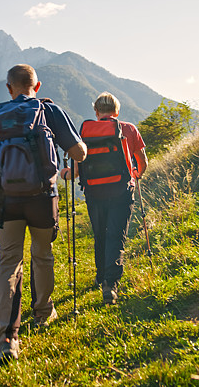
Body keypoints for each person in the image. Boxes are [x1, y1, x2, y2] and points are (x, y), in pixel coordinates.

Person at [0, 64, 86, 363]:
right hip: (42, 197)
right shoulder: (49, 110)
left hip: (6, 200)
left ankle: (7, 337)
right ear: (37, 86)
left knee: (9, 261)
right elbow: (79, 153)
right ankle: (43, 312)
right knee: (42, 253)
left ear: (8, 88)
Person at [62, 92, 147, 306]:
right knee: (116, 235)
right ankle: (110, 284)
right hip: (121, 190)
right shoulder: (128, 129)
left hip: (94, 193)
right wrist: (135, 175)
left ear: (97, 112)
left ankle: (100, 276)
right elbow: (142, 161)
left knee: (100, 234)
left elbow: (76, 170)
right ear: (117, 111)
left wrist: (65, 174)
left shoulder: (85, 133)